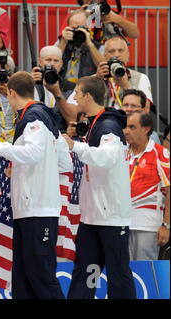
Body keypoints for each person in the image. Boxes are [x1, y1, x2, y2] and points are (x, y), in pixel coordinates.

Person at [0, 71, 72, 299]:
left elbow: (34, 152)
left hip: (36, 209)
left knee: (40, 276)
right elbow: (63, 161)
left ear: (11, 93)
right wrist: (20, 168)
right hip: (30, 209)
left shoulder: (33, 118)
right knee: (23, 278)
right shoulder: (45, 118)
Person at [62, 76, 136, 299]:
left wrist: (75, 145)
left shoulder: (109, 125)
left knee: (118, 274)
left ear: (87, 96)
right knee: (86, 271)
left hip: (111, 217)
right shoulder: (96, 122)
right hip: (92, 217)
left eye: (76, 92)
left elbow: (106, 157)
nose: (73, 97)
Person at [124, 112, 170, 260]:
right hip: (122, 222)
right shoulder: (123, 152)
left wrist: (166, 225)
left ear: (146, 129)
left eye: (132, 127)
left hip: (147, 225)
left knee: (144, 271)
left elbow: (169, 190)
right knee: (124, 271)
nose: (126, 131)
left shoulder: (160, 152)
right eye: (125, 127)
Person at [95, 36, 153, 110]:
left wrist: (126, 86)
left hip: (128, 120)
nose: (116, 55)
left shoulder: (141, 78)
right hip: (102, 120)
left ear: (127, 55)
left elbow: (145, 110)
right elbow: (78, 111)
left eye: (121, 51)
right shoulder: (94, 78)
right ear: (105, 56)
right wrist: (96, 81)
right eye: (111, 51)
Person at [32, 46, 80, 131]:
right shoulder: (32, 83)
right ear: (40, 62)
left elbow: (73, 119)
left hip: (62, 135)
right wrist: (29, 83)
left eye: (56, 61)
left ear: (61, 64)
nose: (52, 64)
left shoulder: (70, 87)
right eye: (48, 60)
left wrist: (57, 92)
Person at [56, 9, 105, 86]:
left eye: (81, 28)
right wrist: (63, 42)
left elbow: (104, 68)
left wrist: (90, 44)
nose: (78, 31)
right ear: (68, 27)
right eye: (74, 28)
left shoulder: (98, 47)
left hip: (87, 89)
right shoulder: (62, 42)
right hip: (63, 88)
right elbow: (52, 64)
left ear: (88, 28)